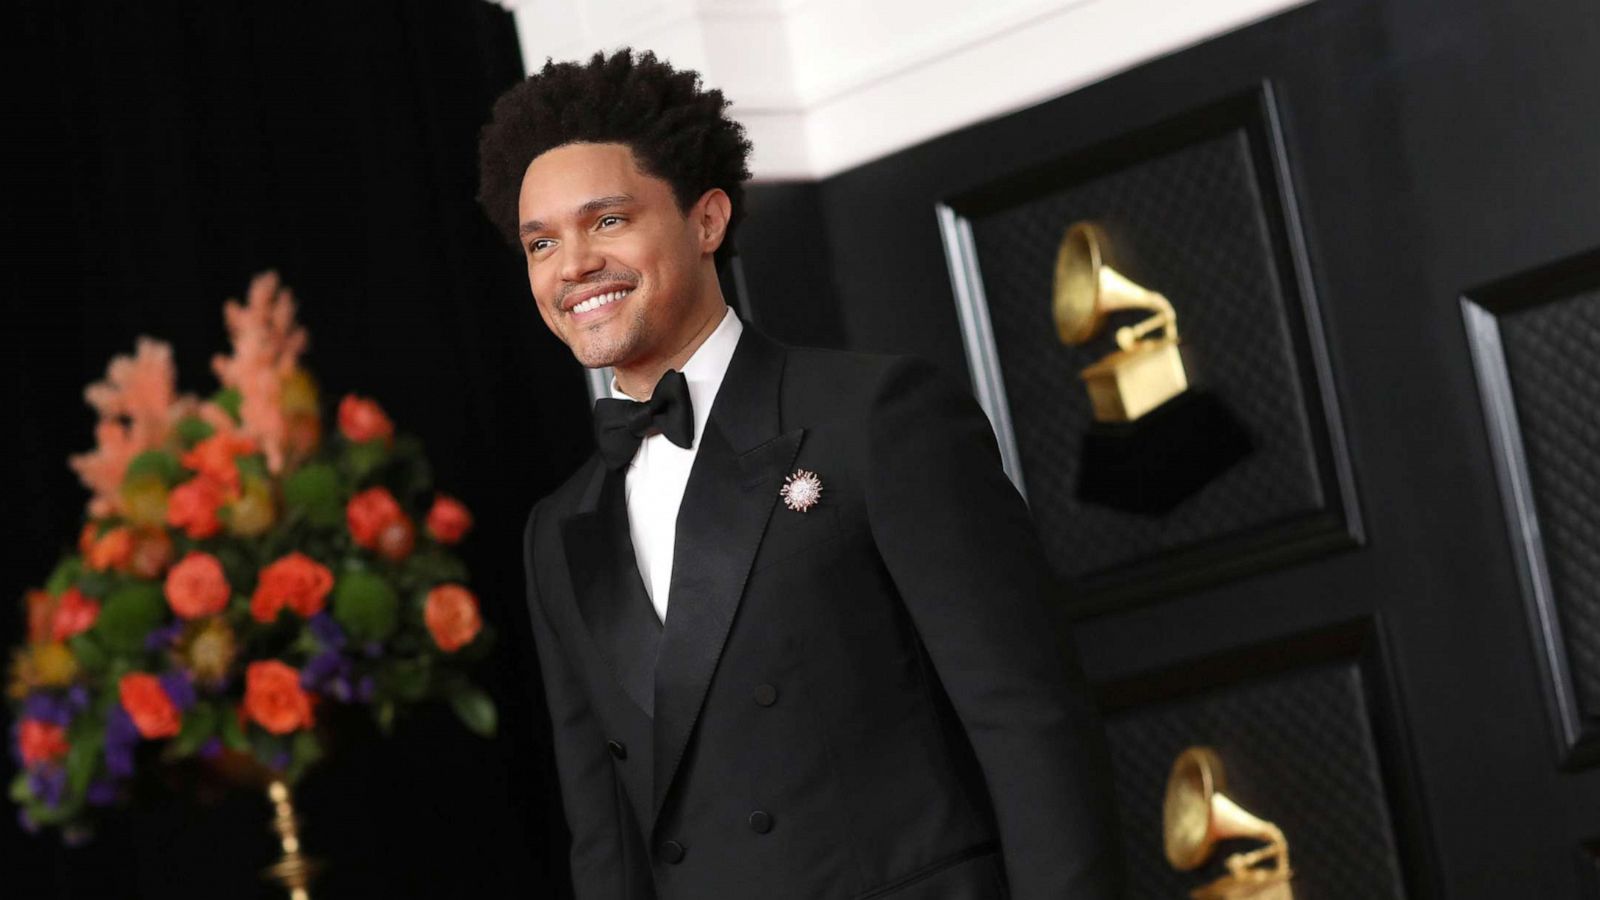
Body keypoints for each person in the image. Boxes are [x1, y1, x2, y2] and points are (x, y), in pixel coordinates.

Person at [476, 48, 1121, 899]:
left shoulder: (877, 417)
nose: (573, 266)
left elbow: (1031, 726)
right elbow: (606, 842)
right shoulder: (558, 530)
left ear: (707, 221)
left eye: (607, 222)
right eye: (540, 243)